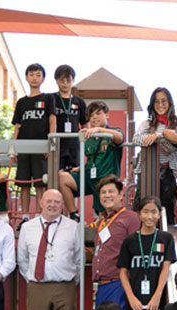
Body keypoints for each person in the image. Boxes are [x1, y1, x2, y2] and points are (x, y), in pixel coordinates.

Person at [17, 189, 80, 310]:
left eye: (57, 202)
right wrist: (32, 279)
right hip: (37, 287)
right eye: (49, 201)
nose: (52, 205)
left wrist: (72, 280)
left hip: (65, 286)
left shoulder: (72, 226)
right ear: (41, 203)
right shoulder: (28, 227)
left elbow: (78, 258)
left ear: (63, 204)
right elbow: (22, 258)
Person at [117, 196, 176, 310]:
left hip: (155, 304)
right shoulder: (130, 241)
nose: (149, 216)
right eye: (145, 212)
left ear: (159, 214)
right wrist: (131, 298)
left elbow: (165, 268)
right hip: (134, 302)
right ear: (139, 214)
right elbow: (123, 271)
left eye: (153, 212)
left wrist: (157, 297)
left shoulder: (166, 238)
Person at [59, 100, 124, 220]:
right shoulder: (89, 137)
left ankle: (102, 220)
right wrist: (80, 168)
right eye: (91, 115)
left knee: (105, 217)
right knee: (61, 177)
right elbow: (91, 159)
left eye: (98, 113)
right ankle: (74, 215)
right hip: (89, 177)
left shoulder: (113, 132)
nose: (94, 118)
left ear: (107, 115)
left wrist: (99, 130)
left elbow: (119, 138)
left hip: (105, 179)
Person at [12, 63, 56, 226]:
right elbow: (17, 126)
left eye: (38, 75)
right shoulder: (22, 102)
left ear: (43, 78)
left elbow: (52, 121)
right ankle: (24, 216)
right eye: (31, 74)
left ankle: (40, 215)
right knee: (23, 183)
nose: (34, 78)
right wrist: (14, 148)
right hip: (23, 148)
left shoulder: (48, 98)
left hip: (41, 147)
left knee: (40, 183)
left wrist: (49, 145)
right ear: (26, 77)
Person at [132, 87, 177, 224]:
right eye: (156, 102)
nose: (160, 105)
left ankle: (168, 234)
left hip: (167, 170)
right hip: (147, 170)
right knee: (142, 203)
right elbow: (136, 139)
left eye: (163, 101)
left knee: (166, 205)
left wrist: (159, 136)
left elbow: (174, 146)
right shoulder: (147, 124)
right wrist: (156, 137)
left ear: (170, 103)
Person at [90, 175, 140, 310]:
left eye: (111, 192)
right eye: (103, 192)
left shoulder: (131, 218)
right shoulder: (101, 222)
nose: (107, 196)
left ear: (120, 195)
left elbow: (137, 252)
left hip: (119, 283)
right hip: (101, 285)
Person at [50, 64, 88, 172]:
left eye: (68, 80)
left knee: (75, 173)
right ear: (57, 81)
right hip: (56, 143)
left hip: (74, 144)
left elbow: (85, 125)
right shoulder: (51, 99)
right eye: (62, 80)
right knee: (55, 175)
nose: (65, 84)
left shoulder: (79, 102)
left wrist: (84, 144)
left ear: (73, 81)